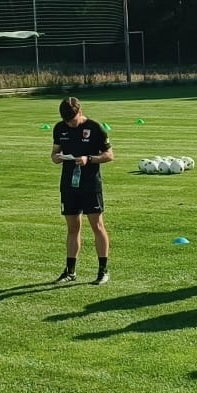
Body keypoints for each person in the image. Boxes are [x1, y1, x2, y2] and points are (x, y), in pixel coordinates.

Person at [51, 96, 113, 284]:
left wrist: (89, 159)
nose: (69, 124)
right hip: (69, 185)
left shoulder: (95, 128)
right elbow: (53, 154)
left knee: (97, 225)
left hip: (90, 185)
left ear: (80, 111)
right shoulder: (60, 128)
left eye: (72, 120)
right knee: (72, 227)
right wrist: (57, 157)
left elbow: (110, 155)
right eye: (66, 121)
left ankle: (103, 270)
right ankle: (70, 271)